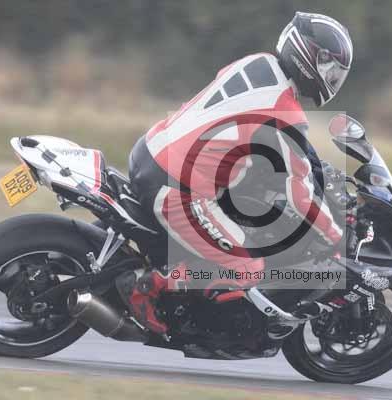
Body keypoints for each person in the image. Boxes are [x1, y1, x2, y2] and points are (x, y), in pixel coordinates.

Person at [117, 12, 353, 334]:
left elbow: (273, 141)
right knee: (247, 267)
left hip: (151, 149)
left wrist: (311, 165)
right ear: (310, 58)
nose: (332, 78)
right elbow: (299, 195)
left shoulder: (259, 65)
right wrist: (336, 236)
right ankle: (151, 286)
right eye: (330, 68)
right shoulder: (286, 112)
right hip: (177, 187)